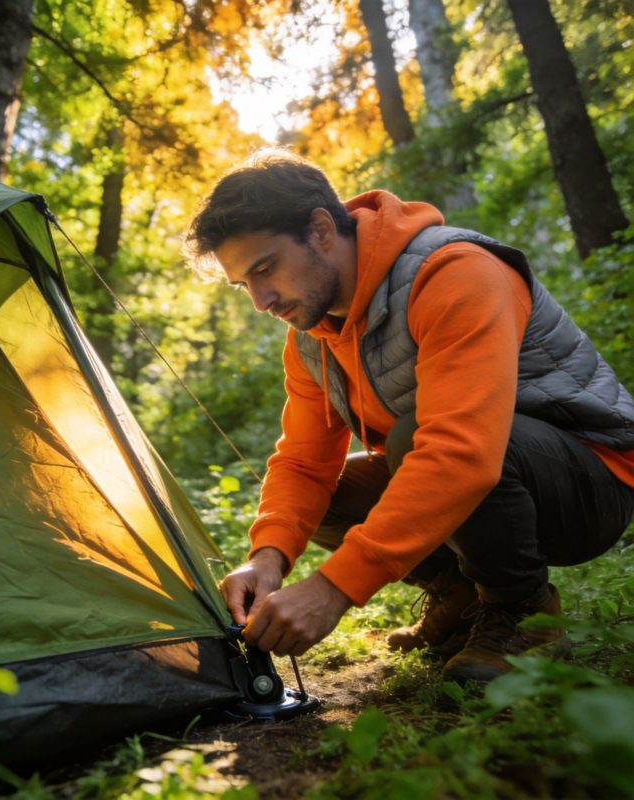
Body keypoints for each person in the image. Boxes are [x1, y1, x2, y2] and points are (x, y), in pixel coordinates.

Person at [182, 149, 634, 684]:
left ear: (322, 230)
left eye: (266, 269)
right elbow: (303, 462)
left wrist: (333, 590)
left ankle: (522, 611)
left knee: (415, 437)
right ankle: (463, 594)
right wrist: (268, 558)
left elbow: (460, 452)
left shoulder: (454, 272)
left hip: (593, 481)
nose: (261, 300)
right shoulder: (311, 337)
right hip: (490, 470)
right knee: (334, 490)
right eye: (245, 285)